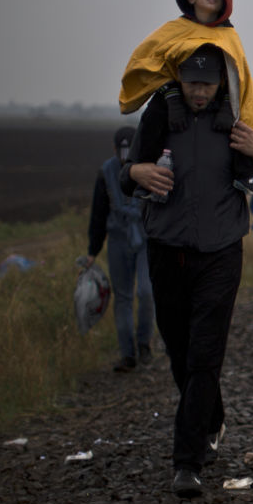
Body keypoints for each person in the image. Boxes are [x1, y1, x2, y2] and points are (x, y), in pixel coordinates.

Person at [119, 44, 253, 499]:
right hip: (166, 248)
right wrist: (138, 173)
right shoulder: (160, 113)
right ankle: (210, 419)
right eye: (193, 83)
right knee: (180, 351)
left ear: (221, 84)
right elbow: (124, 177)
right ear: (180, 80)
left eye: (208, 84)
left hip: (220, 252)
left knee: (205, 355)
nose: (200, 92)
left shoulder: (236, 119)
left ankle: (187, 462)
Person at [118, 0, 253, 195]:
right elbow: (151, 64)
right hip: (173, 93)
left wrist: (229, 102)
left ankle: (245, 173)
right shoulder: (172, 31)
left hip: (220, 99)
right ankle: (147, 176)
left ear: (227, 1)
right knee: (153, 116)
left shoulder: (230, 37)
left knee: (244, 122)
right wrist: (171, 96)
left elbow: (238, 76)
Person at [85, 125, 155, 372]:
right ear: (114, 149)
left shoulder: (150, 167)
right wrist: (93, 251)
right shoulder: (106, 172)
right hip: (117, 241)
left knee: (147, 292)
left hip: (146, 240)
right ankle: (127, 354)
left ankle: (145, 342)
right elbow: (98, 213)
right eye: (121, 150)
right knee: (123, 297)